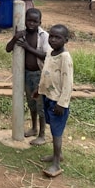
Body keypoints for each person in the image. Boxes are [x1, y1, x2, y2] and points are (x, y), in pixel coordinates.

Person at [33, 24, 73, 178]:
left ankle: (56, 164)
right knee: (54, 129)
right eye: (52, 36)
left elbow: (68, 83)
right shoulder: (50, 53)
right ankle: (58, 155)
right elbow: (46, 73)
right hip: (48, 98)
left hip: (58, 103)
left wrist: (62, 103)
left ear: (66, 40)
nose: (53, 40)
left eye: (58, 37)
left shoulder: (65, 58)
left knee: (57, 132)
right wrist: (39, 89)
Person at [6, 8, 50, 145]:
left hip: (39, 75)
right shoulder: (22, 34)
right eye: (29, 20)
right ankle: (34, 128)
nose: (31, 24)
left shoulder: (43, 36)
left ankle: (42, 134)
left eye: (34, 21)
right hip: (25, 74)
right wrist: (15, 37)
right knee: (31, 103)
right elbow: (8, 49)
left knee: (41, 105)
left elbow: (46, 55)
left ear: (40, 22)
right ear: (25, 20)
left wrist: (27, 47)